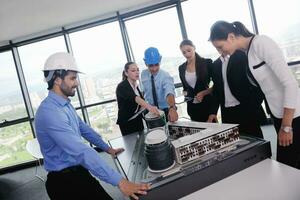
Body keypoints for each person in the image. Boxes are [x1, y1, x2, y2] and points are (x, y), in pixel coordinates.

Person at [35, 52, 150, 200]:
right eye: (72, 78)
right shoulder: (50, 113)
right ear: (57, 80)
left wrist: (107, 148)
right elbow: (81, 150)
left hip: (78, 172)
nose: (76, 83)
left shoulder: (64, 105)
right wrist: (120, 182)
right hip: (64, 183)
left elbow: (84, 129)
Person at [209, 20, 300, 169]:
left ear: (231, 37)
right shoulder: (248, 52)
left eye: (221, 46)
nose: (221, 51)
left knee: (287, 167)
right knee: (290, 166)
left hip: (293, 116)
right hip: (279, 115)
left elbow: (290, 84)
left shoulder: (261, 43)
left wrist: (286, 127)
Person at [208, 50, 267, 138]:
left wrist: (255, 103)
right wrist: (213, 112)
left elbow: (257, 81)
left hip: (246, 108)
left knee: (256, 141)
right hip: (228, 112)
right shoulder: (215, 64)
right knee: (234, 143)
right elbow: (217, 89)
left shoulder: (242, 56)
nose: (219, 48)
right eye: (216, 46)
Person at [116, 61, 160, 135]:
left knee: (142, 141)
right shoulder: (122, 86)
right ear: (126, 73)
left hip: (137, 119)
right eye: (133, 70)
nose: (137, 72)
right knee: (132, 144)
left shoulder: (136, 86)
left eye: (137, 70)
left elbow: (140, 104)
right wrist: (150, 107)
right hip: (127, 122)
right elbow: (135, 98)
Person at [178, 39, 214, 122]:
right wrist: (185, 94)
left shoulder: (206, 63)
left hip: (207, 106)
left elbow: (218, 84)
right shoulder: (181, 68)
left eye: (189, 50)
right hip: (192, 108)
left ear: (194, 48)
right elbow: (185, 88)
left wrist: (204, 93)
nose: (187, 54)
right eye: (184, 52)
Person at [141, 47, 178, 122]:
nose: (154, 69)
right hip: (151, 111)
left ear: (160, 60)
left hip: (166, 111)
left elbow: (169, 92)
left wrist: (172, 107)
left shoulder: (165, 76)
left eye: (156, 65)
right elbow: (144, 92)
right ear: (145, 62)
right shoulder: (143, 74)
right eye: (151, 65)